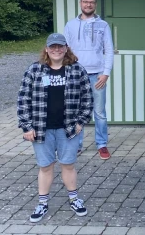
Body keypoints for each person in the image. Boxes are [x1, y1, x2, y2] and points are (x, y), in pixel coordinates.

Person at [17, 33, 93, 223]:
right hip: (41, 129)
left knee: (68, 164)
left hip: (68, 129)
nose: (56, 50)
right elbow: (23, 100)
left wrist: (80, 122)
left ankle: (74, 198)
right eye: (53, 47)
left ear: (66, 48)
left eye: (60, 47)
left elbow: (87, 99)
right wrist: (27, 127)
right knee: (45, 166)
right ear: (47, 49)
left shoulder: (76, 70)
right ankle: (43, 203)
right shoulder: (34, 70)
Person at [64, 0, 114, 160]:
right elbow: (66, 51)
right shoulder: (70, 25)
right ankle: (76, 145)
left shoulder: (103, 26)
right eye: (85, 2)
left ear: (95, 5)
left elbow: (109, 50)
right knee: (78, 112)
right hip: (77, 75)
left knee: (99, 112)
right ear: (80, 3)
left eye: (91, 2)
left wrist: (106, 73)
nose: (88, 5)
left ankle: (102, 144)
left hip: (98, 75)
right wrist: (69, 72)